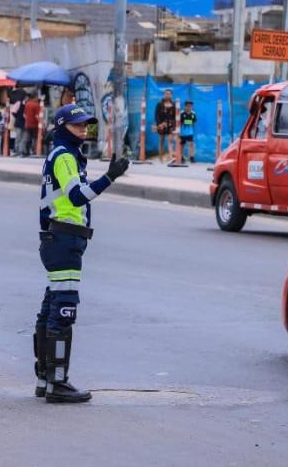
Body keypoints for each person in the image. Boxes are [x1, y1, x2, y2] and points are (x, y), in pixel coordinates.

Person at [33, 105, 130, 403]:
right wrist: (110, 177)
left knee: (51, 306)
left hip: (59, 237)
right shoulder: (64, 155)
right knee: (63, 309)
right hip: (64, 238)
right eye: (77, 125)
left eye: (86, 125)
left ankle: (45, 379)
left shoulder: (64, 154)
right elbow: (76, 196)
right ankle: (58, 384)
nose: (84, 129)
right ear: (63, 127)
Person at [153, 90, 176, 163]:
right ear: (164, 95)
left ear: (171, 95)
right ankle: (160, 158)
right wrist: (159, 124)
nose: (167, 95)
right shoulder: (159, 104)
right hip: (162, 124)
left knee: (170, 140)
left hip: (171, 124)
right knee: (161, 141)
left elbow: (175, 116)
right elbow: (156, 115)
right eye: (166, 94)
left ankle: (170, 157)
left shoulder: (174, 104)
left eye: (169, 94)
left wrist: (174, 125)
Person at [22, 91, 41, 157]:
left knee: (27, 138)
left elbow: (24, 115)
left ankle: (26, 151)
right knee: (35, 138)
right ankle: (34, 151)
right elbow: (37, 116)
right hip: (35, 124)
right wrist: (42, 123)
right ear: (35, 97)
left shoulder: (27, 104)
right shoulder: (36, 105)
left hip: (27, 124)